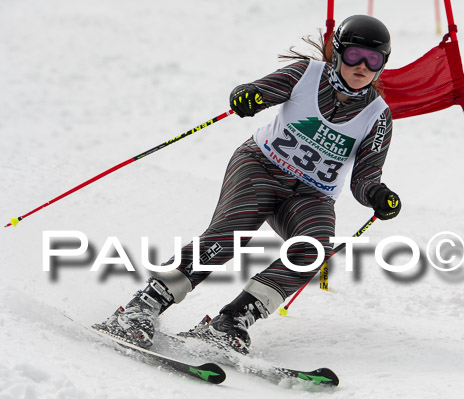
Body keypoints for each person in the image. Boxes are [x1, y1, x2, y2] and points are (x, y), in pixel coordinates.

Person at [94, 15, 401, 354]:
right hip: (261, 167)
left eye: (373, 60)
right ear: (339, 53)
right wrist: (247, 96)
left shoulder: (377, 115)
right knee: (230, 233)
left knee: (314, 249)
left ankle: (232, 321)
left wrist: (377, 194)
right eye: (355, 55)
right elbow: (261, 91)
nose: (361, 66)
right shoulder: (306, 74)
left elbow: (365, 177)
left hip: (311, 195)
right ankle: (144, 305)